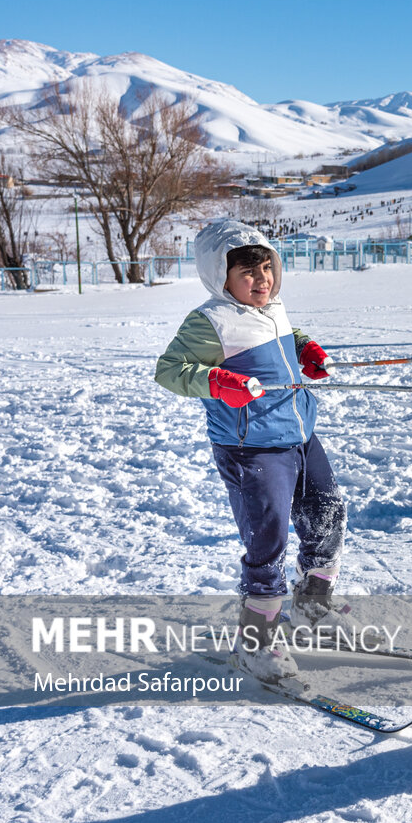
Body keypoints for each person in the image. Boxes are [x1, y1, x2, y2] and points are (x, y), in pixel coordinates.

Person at [155, 220, 350, 683]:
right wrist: (218, 382)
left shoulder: (272, 307)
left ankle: (311, 604)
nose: (262, 280)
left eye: (267, 268)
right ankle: (256, 642)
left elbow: (286, 333)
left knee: (327, 514)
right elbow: (169, 370)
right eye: (249, 273)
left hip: (301, 434)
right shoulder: (210, 321)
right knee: (268, 540)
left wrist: (305, 349)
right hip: (252, 449)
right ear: (220, 277)